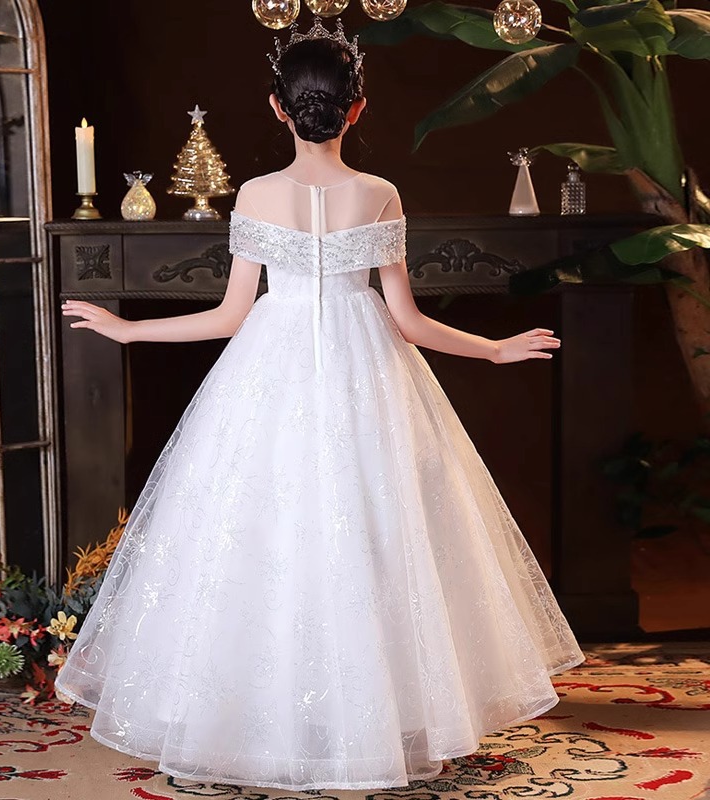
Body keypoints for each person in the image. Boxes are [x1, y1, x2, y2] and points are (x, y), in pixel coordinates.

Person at [56, 16, 585, 791]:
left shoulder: (256, 194)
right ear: (357, 108)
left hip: (265, 370)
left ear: (278, 108)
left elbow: (229, 317)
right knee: (375, 532)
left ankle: (270, 722)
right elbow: (409, 322)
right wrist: (495, 349)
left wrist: (129, 329)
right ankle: (369, 721)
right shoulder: (378, 194)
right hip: (366, 370)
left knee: (265, 531)